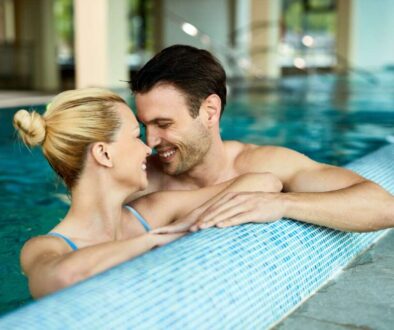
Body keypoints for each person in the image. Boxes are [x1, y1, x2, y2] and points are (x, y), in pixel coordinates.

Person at [13, 88, 281, 298]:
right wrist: (158, 240)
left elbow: (265, 182)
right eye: (135, 136)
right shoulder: (45, 248)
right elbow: (64, 279)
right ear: (104, 153)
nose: (148, 148)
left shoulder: (152, 210)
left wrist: (192, 220)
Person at [130, 44, 394, 234]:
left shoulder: (262, 164)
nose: (150, 141)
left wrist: (280, 203)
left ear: (210, 112)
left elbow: (384, 207)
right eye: (144, 126)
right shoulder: (139, 179)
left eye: (163, 124)